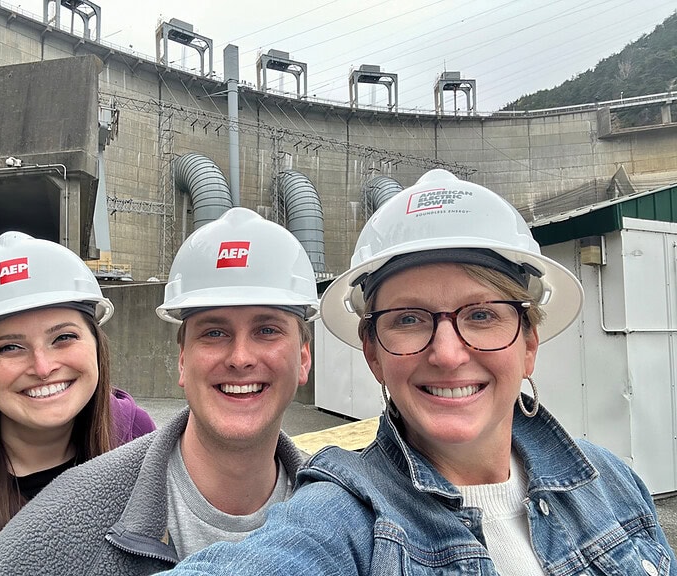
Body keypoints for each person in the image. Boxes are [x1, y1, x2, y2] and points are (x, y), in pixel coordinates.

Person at [158, 169, 677, 575]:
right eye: (409, 320)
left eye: (481, 315)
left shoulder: (611, 483)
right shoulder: (345, 518)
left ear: (529, 344)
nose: (448, 353)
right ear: (373, 353)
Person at [0, 207, 319, 575]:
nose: (240, 358)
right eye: (214, 332)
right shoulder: (59, 521)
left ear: (303, 358)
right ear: (183, 361)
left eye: (267, 330)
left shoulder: (347, 513)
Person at [0, 231, 156, 576]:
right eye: (10, 347)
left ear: (97, 346)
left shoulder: (141, 444)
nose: (42, 367)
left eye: (63, 337)